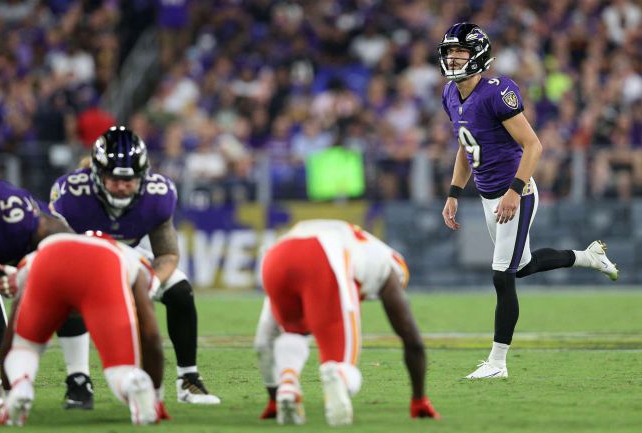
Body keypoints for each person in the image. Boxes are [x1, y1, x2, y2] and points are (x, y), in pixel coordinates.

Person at [438, 23, 619, 379]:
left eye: (460, 51)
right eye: (449, 51)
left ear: (478, 55)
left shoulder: (496, 91)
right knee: (519, 266)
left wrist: (514, 190)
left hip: (515, 193)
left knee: (502, 277)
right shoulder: (449, 94)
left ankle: (497, 363)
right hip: (490, 196)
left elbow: (534, 145)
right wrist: (454, 192)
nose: (453, 57)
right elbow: (465, 146)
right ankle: (588, 257)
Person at [49, 126, 220, 405]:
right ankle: (78, 381)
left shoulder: (158, 194)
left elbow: (166, 254)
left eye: (129, 180)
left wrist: (151, 283)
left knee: (180, 290)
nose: (121, 186)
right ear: (96, 175)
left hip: (130, 257)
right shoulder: (71, 196)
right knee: (70, 295)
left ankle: (189, 380)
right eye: (113, 178)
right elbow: (58, 253)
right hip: (84, 261)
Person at [256, 219, 440, 426]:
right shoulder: (389, 267)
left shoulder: (355, 242)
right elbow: (412, 338)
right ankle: (338, 376)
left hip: (276, 255)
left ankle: (287, 386)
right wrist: (419, 399)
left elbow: (264, 342)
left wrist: (272, 398)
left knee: (293, 331)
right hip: (324, 257)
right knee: (342, 364)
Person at [0, 231, 168, 426]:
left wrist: (9, 389)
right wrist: (156, 395)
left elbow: (10, 338)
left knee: (25, 348)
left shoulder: (34, 257)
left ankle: (21, 386)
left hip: (50, 258)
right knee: (120, 368)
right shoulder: (133, 259)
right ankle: (133, 382)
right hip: (104, 265)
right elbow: (151, 335)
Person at [0, 180, 74, 404]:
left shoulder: (11, 210)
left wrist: (28, 275)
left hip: (41, 255)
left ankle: (78, 379)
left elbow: (64, 247)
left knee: (63, 299)